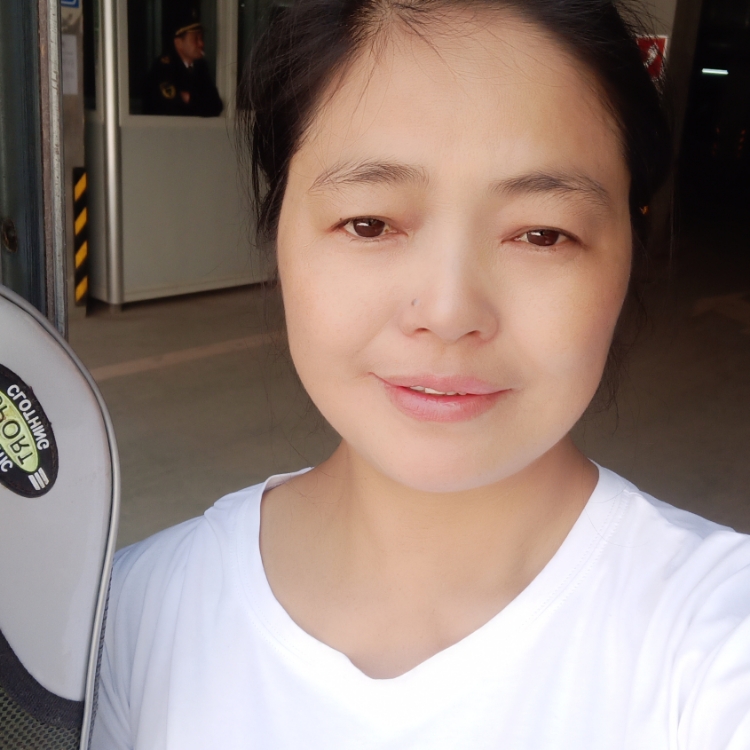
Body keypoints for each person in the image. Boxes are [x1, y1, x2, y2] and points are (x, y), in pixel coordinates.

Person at [92, 0, 750, 747]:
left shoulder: (716, 640)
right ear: (279, 233)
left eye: (541, 233)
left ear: (629, 252)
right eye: (370, 223)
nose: (447, 311)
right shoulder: (128, 623)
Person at [142, 7, 223, 117]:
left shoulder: (201, 67)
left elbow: (216, 106)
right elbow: (172, 107)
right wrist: (199, 100)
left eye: (201, 38)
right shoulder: (163, 68)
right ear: (179, 43)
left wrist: (189, 98)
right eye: (195, 39)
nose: (201, 44)